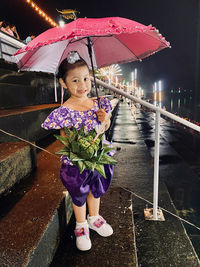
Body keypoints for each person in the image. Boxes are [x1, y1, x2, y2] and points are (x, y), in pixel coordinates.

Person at [41, 51, 114, 251]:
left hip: (97, 156)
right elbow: (65, 137)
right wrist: (80, 146)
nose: (82, 85)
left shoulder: (98, 104)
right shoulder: (65, 110)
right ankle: (81, 226)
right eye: (75, 80)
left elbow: (105, 127)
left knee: (96, 189)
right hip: (77, 160)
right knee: (79, 192)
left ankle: (95, 218)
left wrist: (104, 120)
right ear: (63, 83)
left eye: (85, 78)